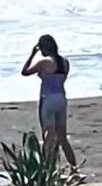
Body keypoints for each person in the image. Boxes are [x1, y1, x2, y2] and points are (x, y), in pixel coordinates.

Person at [20, 35, 77, 167]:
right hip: (61, 98)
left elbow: (25, 72)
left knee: (48, 134)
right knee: (62, 137)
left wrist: (32, 54)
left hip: (47, 98)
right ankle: (73, 167)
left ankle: (47, 167)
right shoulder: (65, 62)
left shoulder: (45, 62)